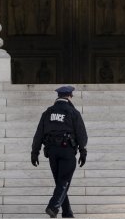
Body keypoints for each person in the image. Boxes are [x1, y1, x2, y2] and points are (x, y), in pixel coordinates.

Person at [31, 85, 88, 218]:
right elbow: (81, 135)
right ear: (70, 96)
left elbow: (38, 134)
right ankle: (53, 206)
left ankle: (67, 213)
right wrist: (83, 150)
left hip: (52, 152)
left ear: (58, 96)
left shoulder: (47, 113)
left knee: (60, 183)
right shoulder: (73, 112)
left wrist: (35, 152)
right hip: (67, 150)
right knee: (64, 181)